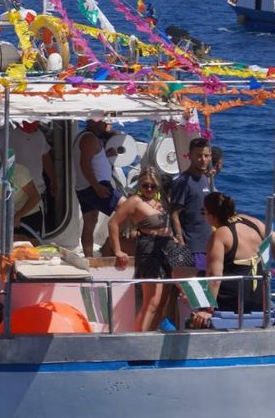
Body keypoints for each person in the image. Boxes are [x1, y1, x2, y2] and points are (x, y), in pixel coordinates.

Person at [189, 192, 275, 328]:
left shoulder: (220, 236)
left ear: (212, 215)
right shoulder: (251, 221)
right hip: (259, 299)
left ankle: (192, 313)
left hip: (232, 300)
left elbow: (214, 277)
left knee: (179, 273)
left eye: (203, 212)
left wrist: (207, 309)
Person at [107, 172, 190, 331]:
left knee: (163, 301)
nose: (149, 189)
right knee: (152, 301)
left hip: (167, 249)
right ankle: (140, 338)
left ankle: (151, 335)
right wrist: (117, 250)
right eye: (145, 185)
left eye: (153, 186)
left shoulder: (161, 201)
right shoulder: (135, 201)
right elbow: (113, 223)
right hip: (149, 250)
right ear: (139, 184)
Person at [169, 137, 214, 271]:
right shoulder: (183, 182)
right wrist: (181, 243)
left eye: (206, 155)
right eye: (199, 156)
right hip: (192, 247)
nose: (203, 159)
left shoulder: (205, 179)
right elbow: (174, 214)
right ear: (190, 156)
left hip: (207, 244)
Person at [75, 118, 118, 256]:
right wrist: (96, 186)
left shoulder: (86, 137)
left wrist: (105, 155)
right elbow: (85, 164)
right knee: (126, 209)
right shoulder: (89, 138)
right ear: (92, 121)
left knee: (90, 223)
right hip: (96, 186)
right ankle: (109, 247)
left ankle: (89, 258)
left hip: (84, 187)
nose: (105, 123)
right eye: (102, 120)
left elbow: (92, 159)